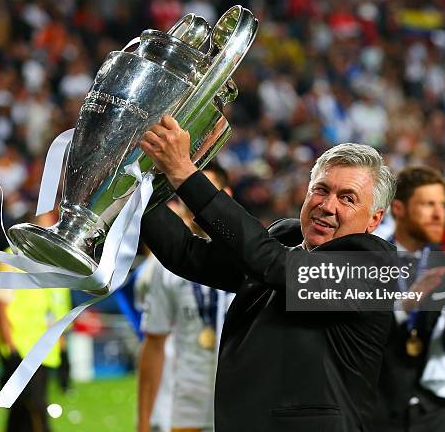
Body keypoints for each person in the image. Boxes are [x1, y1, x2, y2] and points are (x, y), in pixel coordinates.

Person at [139, 115, 397, 432]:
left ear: (374, 219)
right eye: (321, 190)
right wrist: (132, 191)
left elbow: (272, 264)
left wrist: (184, 174)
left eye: (347, 198)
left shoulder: (374, 269)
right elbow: (187, 255)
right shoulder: (284, 241)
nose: (328, 206)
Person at [375, 166, 445, 432]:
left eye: (442, 205)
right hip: (379, 409)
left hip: (436, 414)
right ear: (398, 209)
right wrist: (405, 306)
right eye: (427, 204)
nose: (438, 214)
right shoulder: (368, 258)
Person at [138, 166, 233, 432]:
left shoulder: (254, 257)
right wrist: (143, 422)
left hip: (240, 401)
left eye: (203, 193)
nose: (194, 203)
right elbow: (154, 342)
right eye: (186, 195)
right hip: (185, 405)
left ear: (226, 196)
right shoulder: (163, 267)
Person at [0, 215, 71, 432]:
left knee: (22, 411)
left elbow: (53, 310)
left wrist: (63, 349)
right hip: (20, 349)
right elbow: (0, 310)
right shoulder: (11, 261)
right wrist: (10, 349)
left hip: (41, 348)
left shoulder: (50, 263)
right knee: (35, 408)